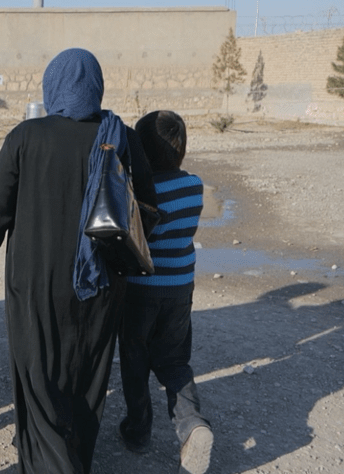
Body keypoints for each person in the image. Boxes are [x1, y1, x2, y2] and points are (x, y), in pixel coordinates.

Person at [0, 48, 157, 474]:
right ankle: (73, 457)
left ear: (52, 86)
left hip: (35, 284)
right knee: (88, 376)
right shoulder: (119, 135)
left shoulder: (25, 137)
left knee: (38, 378)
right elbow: (146, 211)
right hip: (102, 283)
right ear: (97, 86)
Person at [116, 110, 212, 474]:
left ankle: (138, 432)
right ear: (181, 148)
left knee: (135, 360)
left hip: (141, 290)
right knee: (174, 361)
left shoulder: (142, 191)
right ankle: (193, 425)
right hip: (179, 288)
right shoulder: (194, 187)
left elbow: (134, 237)